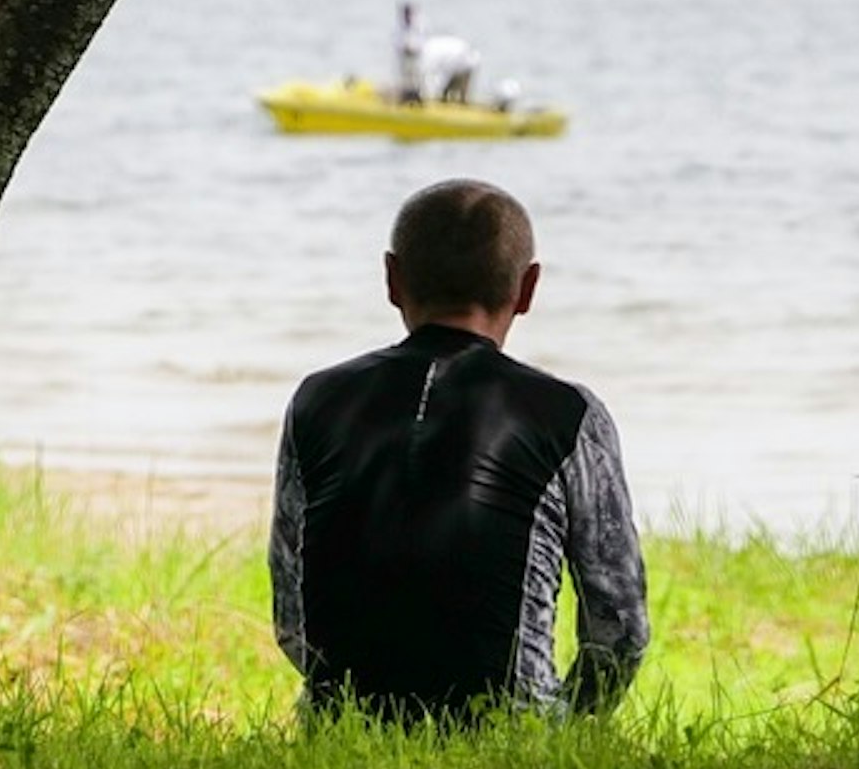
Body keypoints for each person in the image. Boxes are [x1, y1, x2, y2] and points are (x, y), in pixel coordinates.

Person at [270, 176, 647, 722]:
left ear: (392, 279)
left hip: (343, 723)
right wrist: (574, 727)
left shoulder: (317, 399)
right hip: (510, 727)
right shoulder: (568, 415)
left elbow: (292, 615)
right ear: (528, 289)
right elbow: (619, 626)